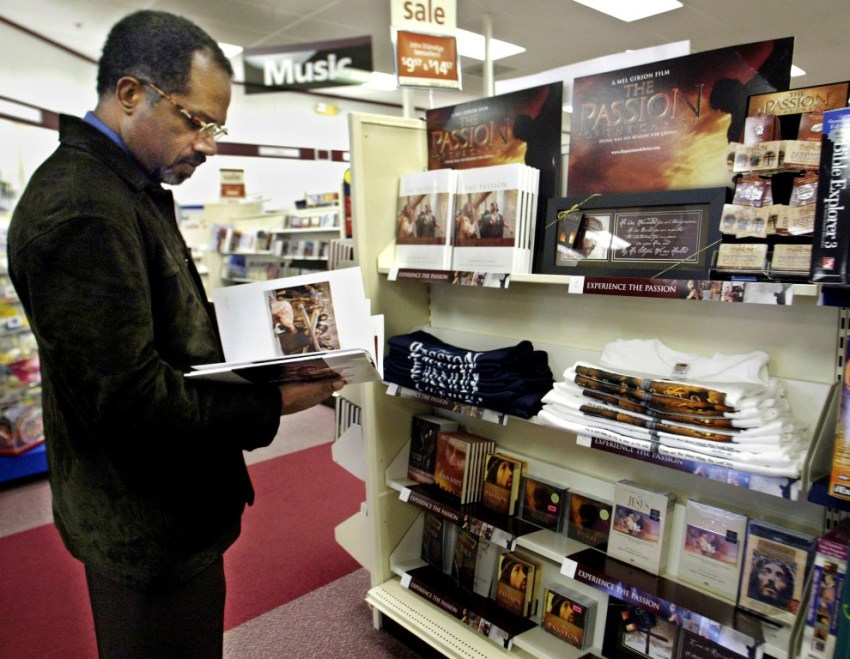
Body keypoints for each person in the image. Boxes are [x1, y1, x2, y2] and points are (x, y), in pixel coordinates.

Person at [6, 10, 344, 659]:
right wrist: (278, 401)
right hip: (144, 525)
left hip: (165, 511)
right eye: (197, 120)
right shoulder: (83, 210)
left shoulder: (123, 188)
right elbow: (133, 401)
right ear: (132, 93)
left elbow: (157, 330)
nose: (209, 143)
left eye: (216, 126)